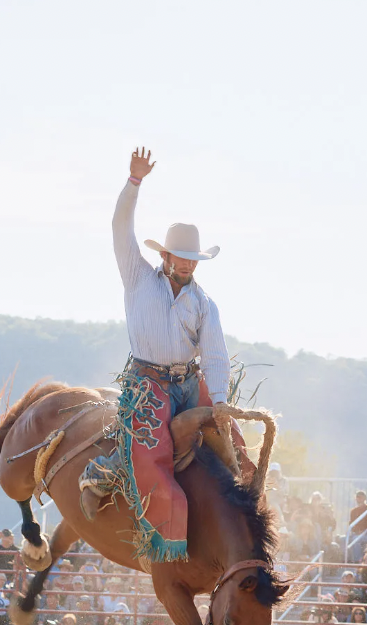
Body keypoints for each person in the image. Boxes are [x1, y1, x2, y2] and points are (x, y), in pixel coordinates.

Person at [77, 146, 238, 562]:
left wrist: (219, 401)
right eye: (180, 258)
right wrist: (134, 182)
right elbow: (119, 228)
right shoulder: (137, 277)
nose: (186, 266)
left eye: (192, 260)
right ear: (164, 255)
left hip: (189, 380)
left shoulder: (204, 305)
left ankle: (245, 512)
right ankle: (114, 476)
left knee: (234, 446)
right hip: (149, 383)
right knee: (150, 450)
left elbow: (216, 354)